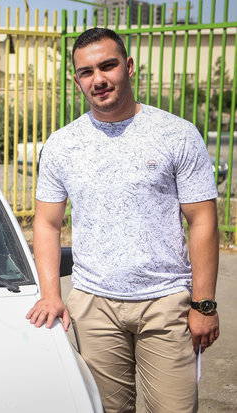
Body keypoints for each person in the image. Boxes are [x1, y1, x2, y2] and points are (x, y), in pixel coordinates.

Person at [25, 28, 219, 413]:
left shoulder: (177, 135)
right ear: (77, 80)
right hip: (94, 306)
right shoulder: (62, 145)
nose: (98, 79)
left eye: (108, 66)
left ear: (128, 67)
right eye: (86, 72)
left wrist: (204, 303)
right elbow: (46, 224)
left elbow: (202, 221)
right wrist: (51, 293)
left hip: (167, 305)